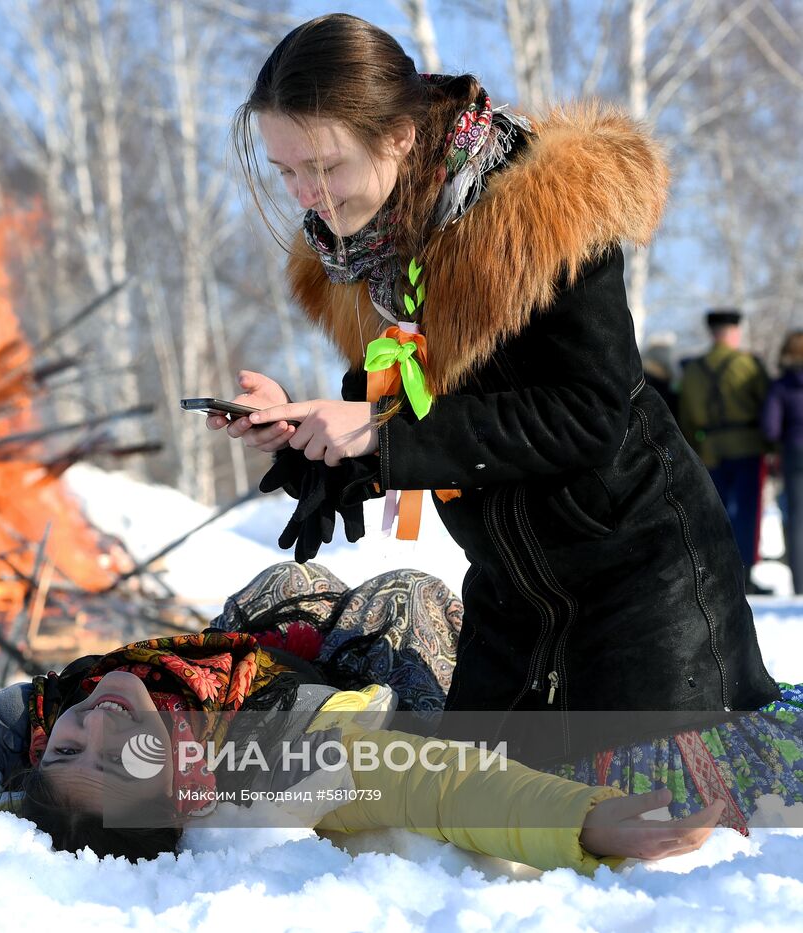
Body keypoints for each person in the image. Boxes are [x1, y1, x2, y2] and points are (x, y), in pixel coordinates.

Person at [207, 13, 777, 764]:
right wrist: (314, 439)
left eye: (324, 165)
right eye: (286, 172)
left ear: (400, 136)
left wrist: (381, 434)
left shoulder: (545, 217)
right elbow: (412, 421)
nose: (307, 194)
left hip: (642, 586)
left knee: (635, 825)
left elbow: (588, 416)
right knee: (465, 820)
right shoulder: (368, 259)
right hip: (512, 600)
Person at [0, 564, 735, 876]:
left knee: (286, 585)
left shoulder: (25, 722)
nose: (75, 727)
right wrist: (581, 822)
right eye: (94, 750)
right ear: (179, 782)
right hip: (349, 689)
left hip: (233, 647)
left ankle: (301, 609)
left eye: (60, 743)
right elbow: (425, 790)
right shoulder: (272, 766)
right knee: (402, 600)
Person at [679, 309, 772, 592]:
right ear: (733, 332)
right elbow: (765, 406)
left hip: (709, 450)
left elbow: (686, 417)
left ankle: (718, 573)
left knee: (713, 513)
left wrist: (695, 448)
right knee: (747, 513)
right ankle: (746, 574)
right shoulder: (747, 364)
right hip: (747, 446)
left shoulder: (692, 369)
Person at [763, 331, 803, 593]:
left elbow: (770, 428)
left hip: (795, 453)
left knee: (798, 521)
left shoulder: (781, 386)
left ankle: (800, 585)